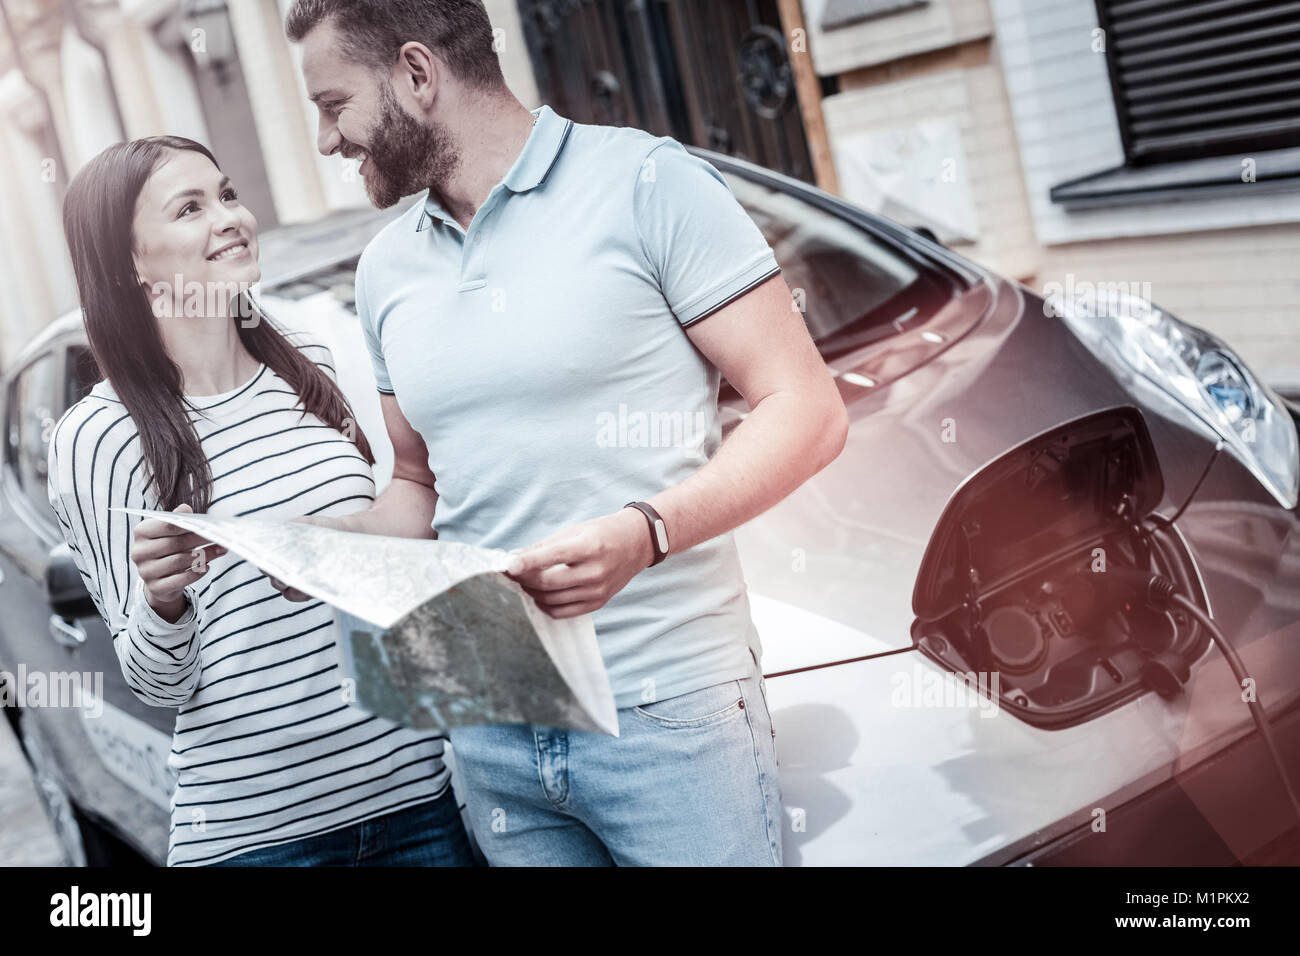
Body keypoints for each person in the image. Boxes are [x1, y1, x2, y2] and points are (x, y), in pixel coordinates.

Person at [282, 0, 849, 865]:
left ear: (417, 74)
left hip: (668, 716)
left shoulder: (647, 184)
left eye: (333, 105)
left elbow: (807, 411)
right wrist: (319, 547)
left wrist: (646, 533)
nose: (328, 141)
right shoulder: (385, 268)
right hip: (489, 721)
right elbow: (418, 488)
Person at [47, 135, 475, 867]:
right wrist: (164, 600)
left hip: (415, 802)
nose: (229, 218)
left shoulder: (311, 360)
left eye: (228, 195)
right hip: (258, 841)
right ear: (130, 264)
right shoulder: (99, 434)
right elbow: (156, 681)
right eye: (190, 208)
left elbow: (406, 524)